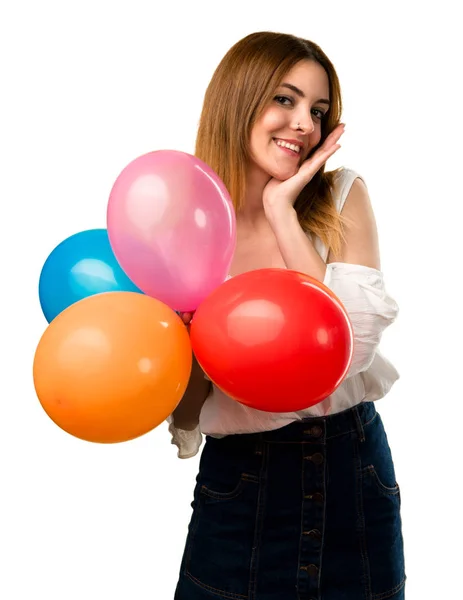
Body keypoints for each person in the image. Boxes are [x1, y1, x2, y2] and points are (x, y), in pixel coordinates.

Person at [167, 31, 405, 600]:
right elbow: (187, 408)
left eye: (318, 111)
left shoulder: (341, 196)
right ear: (239, 100)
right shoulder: (185, 226)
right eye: (285, 99)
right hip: (240, 481)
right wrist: (182, 336)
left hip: (350, 470)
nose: (304, 122)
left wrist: (281, 211)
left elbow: (345, 351)